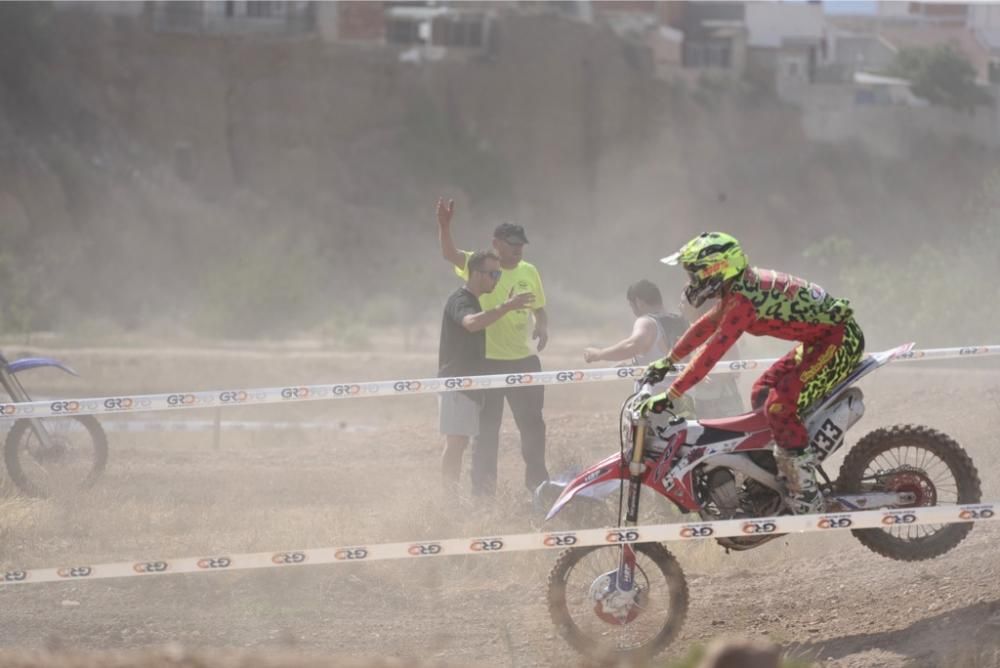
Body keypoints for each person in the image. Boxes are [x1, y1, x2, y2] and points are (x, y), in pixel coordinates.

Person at [639, 232, 864, 514]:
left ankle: (806, 491)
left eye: (694, 275)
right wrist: (669, 359)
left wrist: (672, 393)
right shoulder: (738, 289)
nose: (690, 283)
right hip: (817, 343)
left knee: (780, 405)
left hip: (838, 341)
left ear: (716, 270)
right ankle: (772, 469)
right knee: (762, 391)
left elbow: (712, 353)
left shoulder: (744, 300)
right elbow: (705, 326)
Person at [437, 197, 550, 497]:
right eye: (512, 243)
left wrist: (542, 323)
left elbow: (539, 305)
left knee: (533, 428)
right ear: (496, 243)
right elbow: (449, 253)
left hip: (524, 360)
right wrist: (445, 226)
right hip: (487, 363)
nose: (517, 248)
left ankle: (538, 488)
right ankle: (483, 497)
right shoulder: (481, 264)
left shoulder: (530, 271)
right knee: (486, 435)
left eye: (521, 244)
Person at [583, 279, 686, 368]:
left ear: (639, 302)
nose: (632, 311)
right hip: (685, 388)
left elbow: (634, 345)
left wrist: (599, 354)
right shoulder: (679, 320)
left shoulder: (647, 322)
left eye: (631, 305)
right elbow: (664, 357)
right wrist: (633, 367)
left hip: (657, 389)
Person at [677, 295, 746, 419]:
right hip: (702, 399)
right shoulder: (692, 329)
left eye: (683, 302)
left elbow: (733, 365)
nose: (680, 307)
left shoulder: (719, 328)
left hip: (722, 401)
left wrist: (701, 375)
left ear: (696, 305)